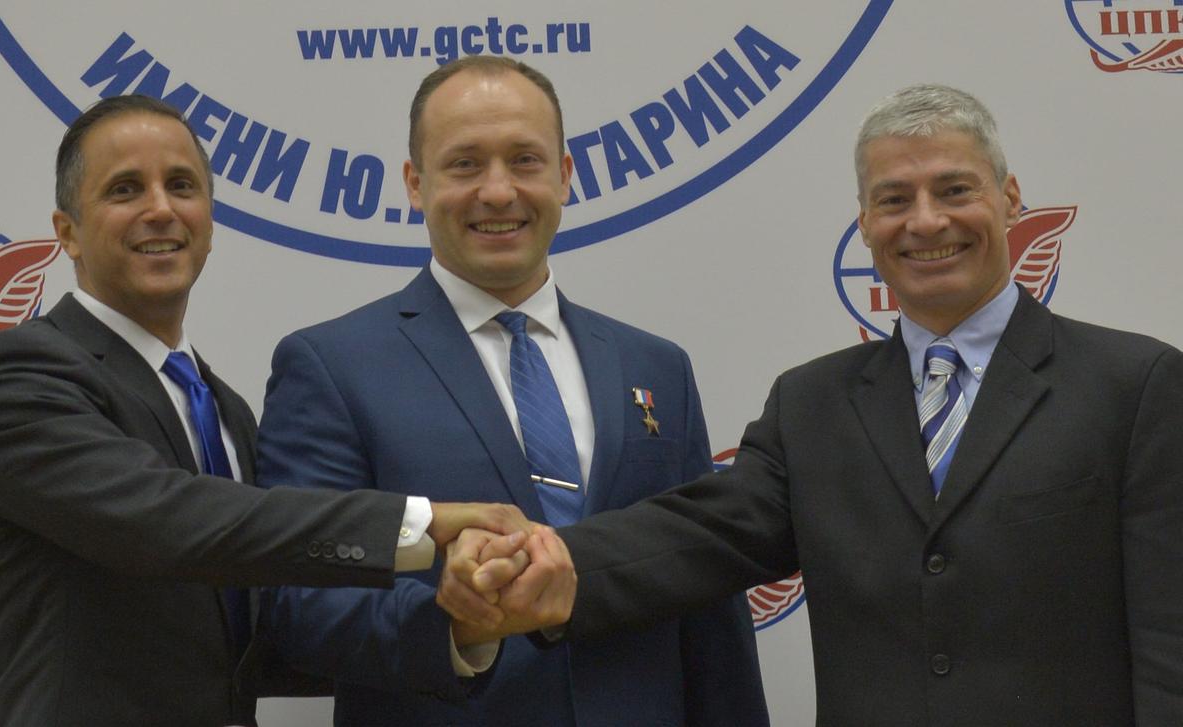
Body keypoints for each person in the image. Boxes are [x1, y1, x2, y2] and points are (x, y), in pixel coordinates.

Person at [455, 83, 1183, 725]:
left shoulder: (1136, 384)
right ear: (864, 223)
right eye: (894, 200)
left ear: (1010, 198)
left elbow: (1169, 635)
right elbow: (701, 534)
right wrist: (548, 563)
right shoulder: (812, 403)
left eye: (955, 190)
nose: (925, 222)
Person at [0, 94, 524, 727]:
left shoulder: (223, 410)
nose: (161, 209)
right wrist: (420, 525)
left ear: (211, 219)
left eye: (182, 185)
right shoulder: (18, 375)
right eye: (124, 189)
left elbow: (269, 635)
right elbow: (166, 522)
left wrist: (461, 625)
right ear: (67, 233)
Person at [254, 56, 768, 726]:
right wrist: (456, 625)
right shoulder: (330, 365)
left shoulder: (657, 367)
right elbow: (297, 602)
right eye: (465, 164)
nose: (498, 191)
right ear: (415, 183)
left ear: (565, 176)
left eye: (525, 160)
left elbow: (707, 592)